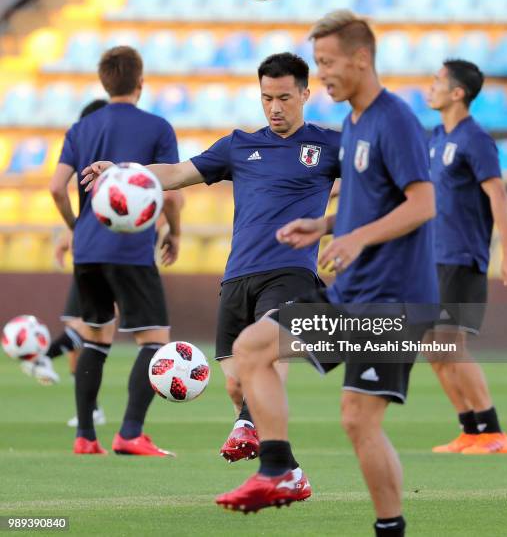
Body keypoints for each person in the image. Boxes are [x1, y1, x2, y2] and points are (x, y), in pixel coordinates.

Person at [211, 10, 438, 537]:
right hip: (351, 296)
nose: (324, 73)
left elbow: (424, 202)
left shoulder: (393, 119)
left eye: (329, 63)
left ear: (361, 59)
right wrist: (328, 223)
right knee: (251, 349)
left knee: (359, 421)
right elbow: (367, 200)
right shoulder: (355, 125)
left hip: (393, 303)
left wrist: (355, 237)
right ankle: (279, 470)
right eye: (318, 62)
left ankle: (390, 528)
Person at [82, 53, 341, 492]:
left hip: (292, 272)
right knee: (239, 384)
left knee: (267, 352)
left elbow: (371, 191)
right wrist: (126, 173)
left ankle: (247, 429)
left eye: (283, 98)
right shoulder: (239, 145)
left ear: (304, 94)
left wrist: (341, 231)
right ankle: (290, 471)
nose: (274, 107)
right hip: (238, 276)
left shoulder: (329, 146)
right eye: (266, 98)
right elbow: (180, 173)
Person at [50, 46, 182, 455]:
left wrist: (78, 226)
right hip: (131, 248)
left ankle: (85, 436)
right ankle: (129, 432)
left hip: (87, 249)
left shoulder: (82, 128)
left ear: (105, 82)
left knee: (95, 336)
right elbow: (173, 192)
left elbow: (56, 187)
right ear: (140, 83)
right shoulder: (158, 128)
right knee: (154, 339)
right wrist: (174, 232)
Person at [427, 59, 507, 454]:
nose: (430, 87)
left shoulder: (476, 139)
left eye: (437, 81)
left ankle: (494, 431)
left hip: (463, 256)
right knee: (435, 350)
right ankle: (471, 430)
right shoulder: (435, 136)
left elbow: (498, 193)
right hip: (432, 256)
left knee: (451, 346)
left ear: (457, 92)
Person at [21, 99, 108, 427]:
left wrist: (74, 230)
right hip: (100, 251)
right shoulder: (98, 155)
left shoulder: (105, 151)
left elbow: (59, 189)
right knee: (86, 324)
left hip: (105, 253)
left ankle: (44, 358)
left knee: (93, 326)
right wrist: (71, 231)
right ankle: (91, 411)